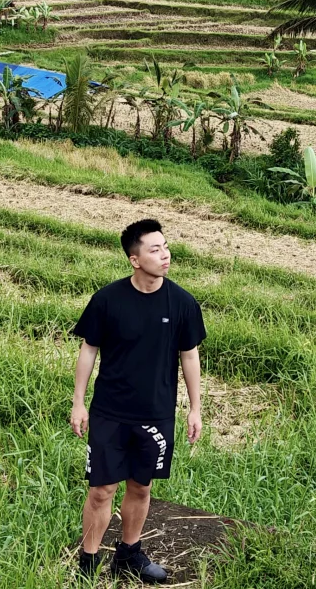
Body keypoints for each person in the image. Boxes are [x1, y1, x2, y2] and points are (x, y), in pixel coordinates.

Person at [71, 219, 205, 583]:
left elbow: (189, 356)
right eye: (155, 249)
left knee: (141, 486)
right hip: (109, 411)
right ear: (134, 259)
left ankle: (129, 554)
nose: (165, 255)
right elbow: (89, 349)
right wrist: (78, 402)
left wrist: (195, 408)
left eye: (165, 247)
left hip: (156, 412)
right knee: (102, 490)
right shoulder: (107, 300)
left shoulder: (182, 303)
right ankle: (88, 561)